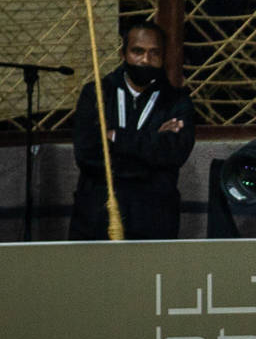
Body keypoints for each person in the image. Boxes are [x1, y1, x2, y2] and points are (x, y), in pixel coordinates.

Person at [69, 22, 196, 240]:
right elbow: (86, 154)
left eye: (154, 53)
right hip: (97, 215)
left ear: (164, 57)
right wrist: (152, 144)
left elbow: (174, 154)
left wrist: (116, 137)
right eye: (138, 51)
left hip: (154, 218)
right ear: (123, 54)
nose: (145, 60)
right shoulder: (97, 94)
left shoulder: (177, 101)